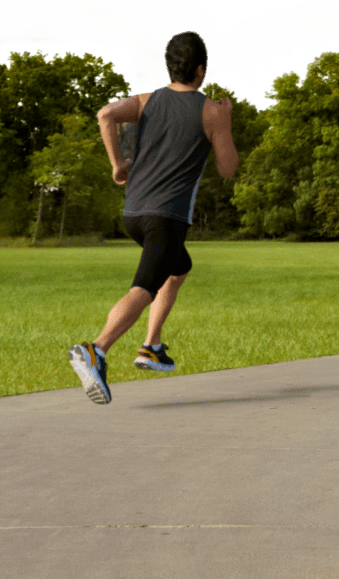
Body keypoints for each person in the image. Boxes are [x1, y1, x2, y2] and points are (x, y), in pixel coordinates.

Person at [67, 31, 239, 405]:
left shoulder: (147, 101)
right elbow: (228, 169)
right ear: (200, 69)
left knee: (178, 269)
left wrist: (118, 165)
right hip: (166, 218)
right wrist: (224, 122)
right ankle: (96, 349)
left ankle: (151, 346)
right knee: (144, 286)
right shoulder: (210, 110)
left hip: (135, 214)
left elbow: (106, 115)